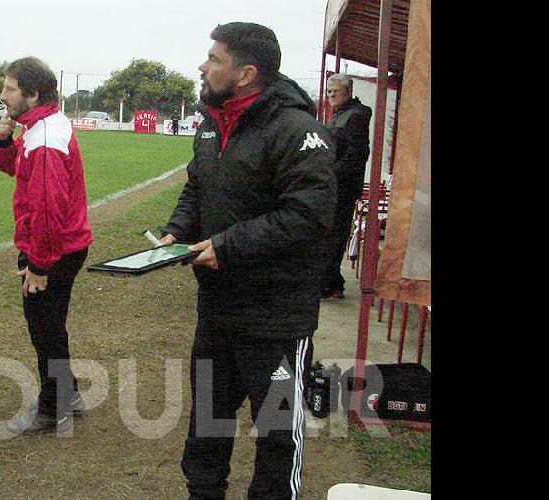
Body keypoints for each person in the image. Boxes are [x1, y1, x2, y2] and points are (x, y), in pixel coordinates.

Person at [157, 22, 336, 499]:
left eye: (214, 58)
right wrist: (178, 231)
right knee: (209, 419)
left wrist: (229, 246)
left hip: (275, 316)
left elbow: (308, 213)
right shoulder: (211, 125)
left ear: (245, 73)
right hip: (217, 309)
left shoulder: (297, 131)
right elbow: (198, 188)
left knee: (277, 430)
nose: (203, 65)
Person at [0, 57, 93, 434]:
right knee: (50, 325)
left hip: (54, 248)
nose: (2, 95)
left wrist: (40, 265)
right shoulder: (37, 127)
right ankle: (68, 394)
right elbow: (16, 168)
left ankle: (54, 407)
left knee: (44, 327)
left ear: (32, 93)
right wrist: (2, 139)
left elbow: (49, 208)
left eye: (10, 88)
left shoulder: (46, 136)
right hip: (56, 246)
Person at [320, 73, 372, 299]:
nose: (331, 95)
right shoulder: (340, 115)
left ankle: (330, 285)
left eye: (335, 91)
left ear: (348, 93)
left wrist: (329, 175)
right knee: (328, 234)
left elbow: (355, 155)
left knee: (334, 235)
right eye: (329, 91)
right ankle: (329, 281)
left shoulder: (355, 116)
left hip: (342, 187)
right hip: (334, 185)